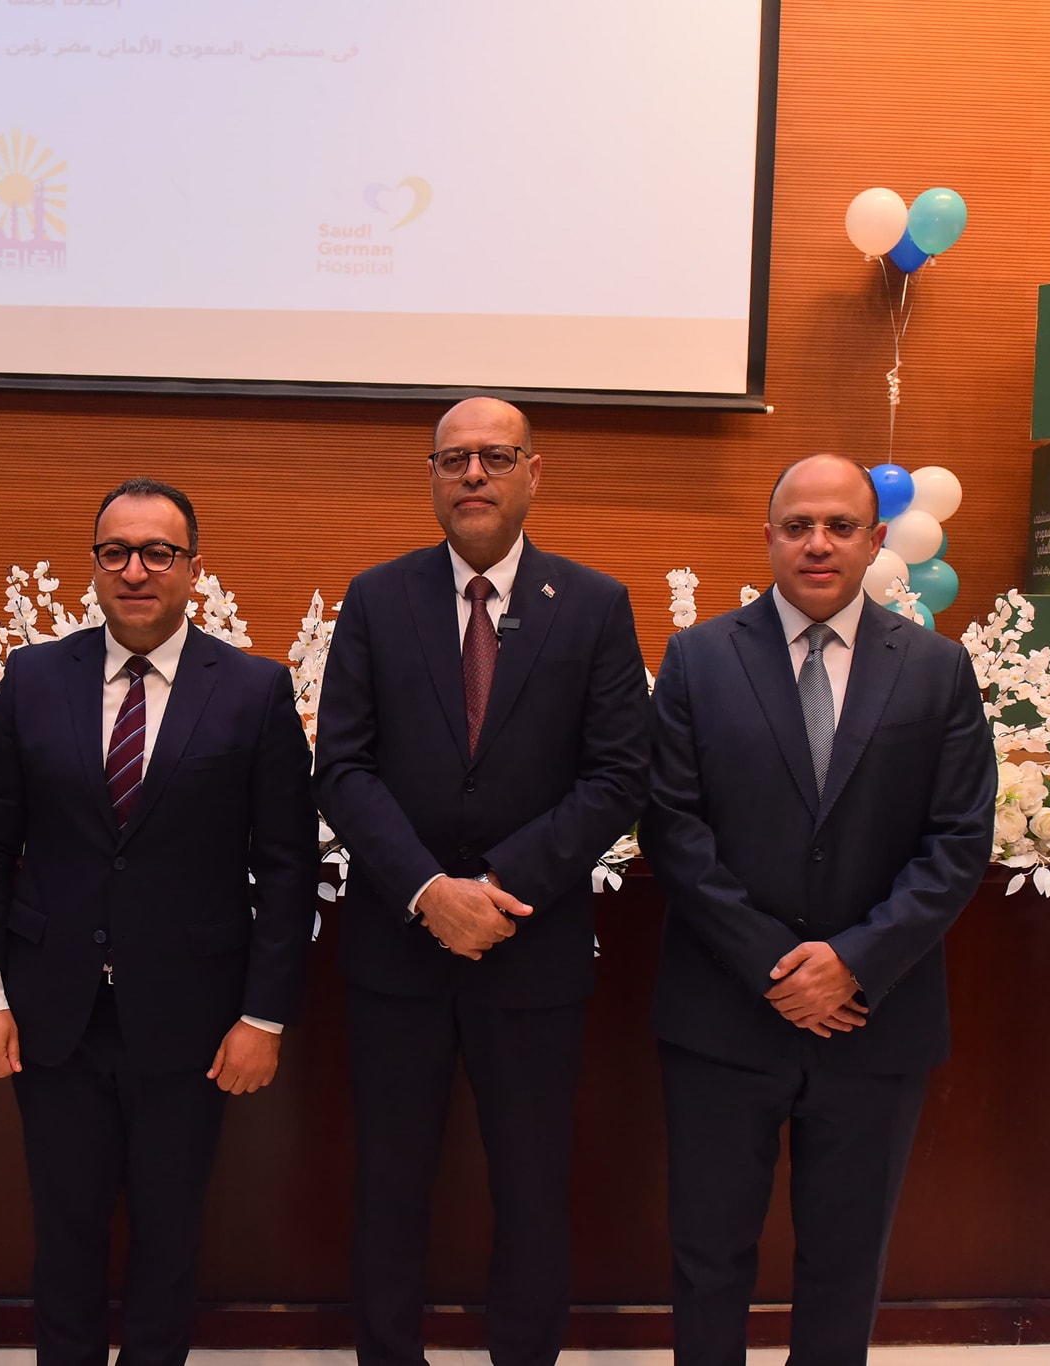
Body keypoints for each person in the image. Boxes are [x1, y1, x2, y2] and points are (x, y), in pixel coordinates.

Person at [313, 397, 653, 1366]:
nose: (472, 473)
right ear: (428, 476)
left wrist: (496, 888)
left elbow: (617, 775)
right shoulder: (377, 598)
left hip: (530, 950)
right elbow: (342, 768)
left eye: (495, 457)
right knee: (388, 1187)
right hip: (397, 951)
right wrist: (429, 890)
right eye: (453, 458)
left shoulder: (593, 604)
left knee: (533, 1190)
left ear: (532, 474)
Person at [0, 477, 318, 1366]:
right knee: (64, 1232)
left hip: (195, 1019)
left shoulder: (253, 689)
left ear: (193, 567)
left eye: (159, 552)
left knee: (170, 1234)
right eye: (115, 551)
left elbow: (287, 865)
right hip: (53, 1014)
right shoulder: (34, 678)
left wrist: (264, 1017)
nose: (136, 570)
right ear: (94, 566)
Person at [641, 453, 995, 1365]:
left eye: (840, 526)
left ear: (876, 542)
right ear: (768, 538)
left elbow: (959, 840)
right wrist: (775, 966)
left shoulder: (937, 668)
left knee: (846, 1264)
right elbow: (672, 829)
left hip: (874, 1019)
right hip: (723, 1016)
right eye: (797, 525)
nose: (818, 543)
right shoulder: (698, 659)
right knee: (708, 1257)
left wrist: (854, 962)